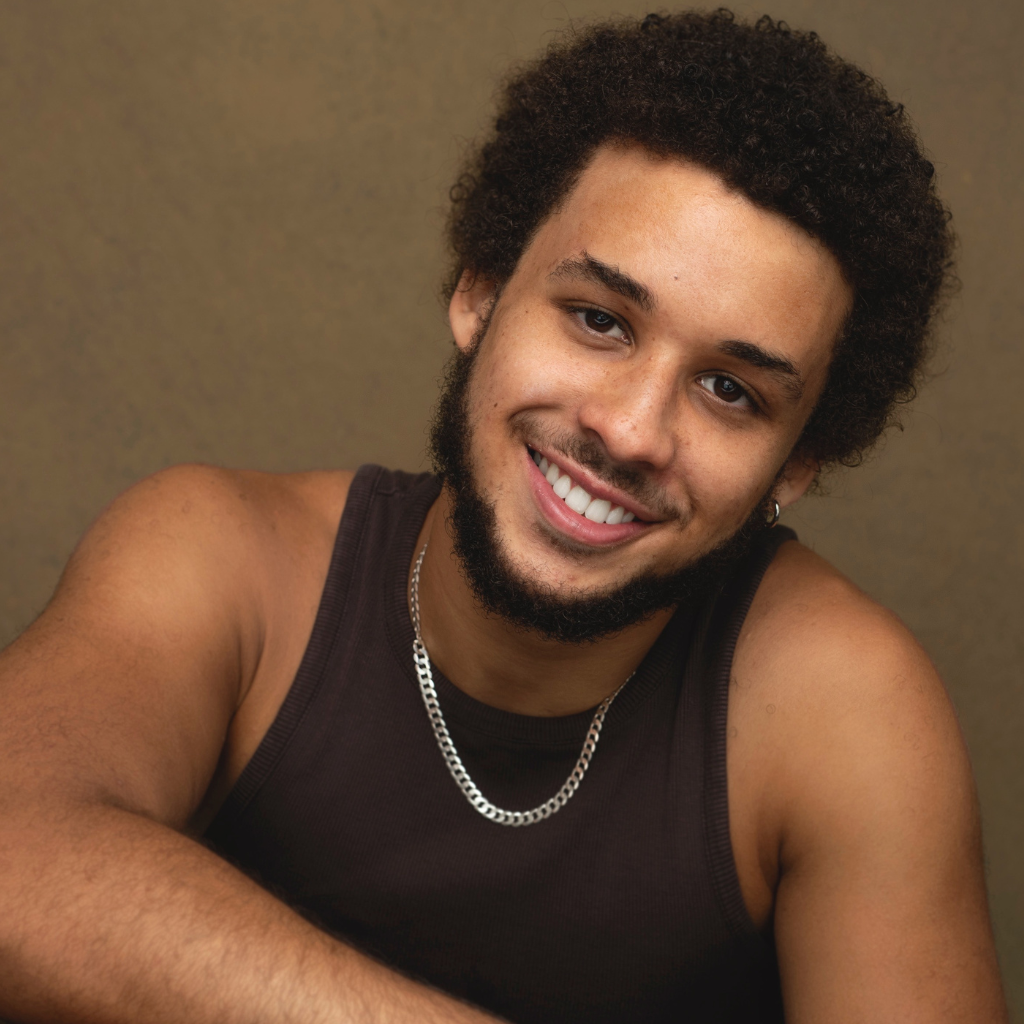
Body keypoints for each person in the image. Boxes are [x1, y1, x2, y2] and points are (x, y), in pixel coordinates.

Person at [0, 9, 1008, 1023]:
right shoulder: (224, 559)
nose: (630, 431)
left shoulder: (846, 711)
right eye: (599, 320)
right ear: (479, 294)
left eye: (728, 390)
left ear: (795, 466)